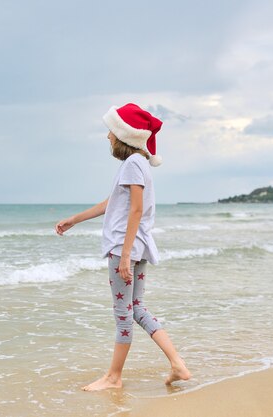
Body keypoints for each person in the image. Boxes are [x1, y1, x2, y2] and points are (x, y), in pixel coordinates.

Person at [55, 103, 191, 391]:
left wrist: (125, 256)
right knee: (136, 308)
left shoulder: (132, 164)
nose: (107, 137)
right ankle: (177, 364)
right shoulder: (137, 164)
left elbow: (135, 211)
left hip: (124, 247)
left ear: (124, 135)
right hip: (137, 246)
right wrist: (74, 220)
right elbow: (113, 204)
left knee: (122, 314)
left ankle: (114, 378)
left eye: (111, 131)